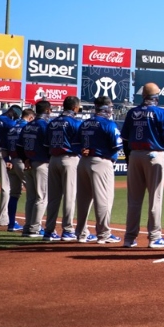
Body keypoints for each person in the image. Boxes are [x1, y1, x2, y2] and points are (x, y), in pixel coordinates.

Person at [122, 82, 164, 248]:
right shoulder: (161, 113)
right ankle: (154, 237)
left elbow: (124, 140)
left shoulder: (132, 112)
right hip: (154, 154)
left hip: (134, 155)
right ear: (156, 96)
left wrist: (129, 158)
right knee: (155, 198)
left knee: (134, 200)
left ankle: (129, 238)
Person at [76, 96, 123, 244]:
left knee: (83, 200)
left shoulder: (85, 123)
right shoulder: (108, 123)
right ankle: (103, 234)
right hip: (101, 161)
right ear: (106, 108)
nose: (111, 109)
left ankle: (81, 233)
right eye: (110, 106)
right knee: (104, 199)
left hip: (83, 162)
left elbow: (76, 144)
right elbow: (117, 146)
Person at [45, 95, 84, 241]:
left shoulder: (52, 122)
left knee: (53, 198)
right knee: (69, 196)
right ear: (75, 107)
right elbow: (81, 144)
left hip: (53, 159)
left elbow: (46, 145)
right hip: (69, 159)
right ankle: (67, 230)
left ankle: (49, 231)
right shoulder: (75, 122)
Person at [16, 99, 53, 238]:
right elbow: (49, 147)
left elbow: (19, 147)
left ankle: (27, 227)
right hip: (41, 163)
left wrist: (25, 159)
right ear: (47, 110)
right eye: (50, 109)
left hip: (28, 162)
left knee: (31, 197)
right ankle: (34, 228)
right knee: (41, 197)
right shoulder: (45, 126)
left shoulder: (28, 125)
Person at [1, 109, 30, 229]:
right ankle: (31, 224)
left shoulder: (11, 128)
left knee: (14, 193)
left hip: (10, 161)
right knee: (33, 194)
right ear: (30, 118)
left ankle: (11, 224)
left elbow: (3, 149)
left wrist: (7, 161)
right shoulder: (26, 128)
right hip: (22, 162)